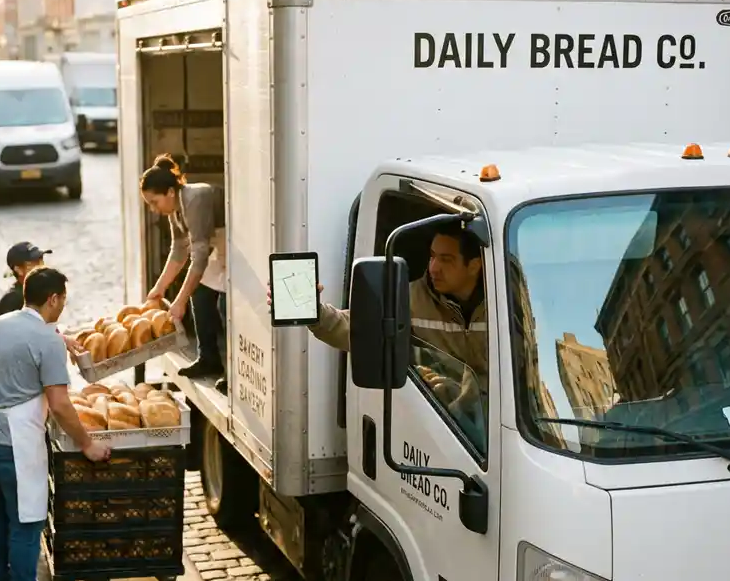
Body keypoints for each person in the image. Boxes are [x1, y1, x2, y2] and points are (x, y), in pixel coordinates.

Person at [0, 268, 111, 581]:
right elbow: (60, 404)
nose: (63, 306)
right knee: (26, 521)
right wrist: (87, 444)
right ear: (53, 299)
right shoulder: (47, 340)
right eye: (63, 299)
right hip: (15, 442)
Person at [269, 223, 488, 411]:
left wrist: (469, 393)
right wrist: (314, 312)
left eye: (446, 260)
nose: (433, 268)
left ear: (474, 266)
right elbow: (360, 327)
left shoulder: (504, 302)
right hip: (448, 426)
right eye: (432, 256)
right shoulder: (410, 298)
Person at [141, 154, 228, 393]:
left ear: (170, 192)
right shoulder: (175, 209)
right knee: (199, 295)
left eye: (154, 202)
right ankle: (208, 358)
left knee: (226, 306)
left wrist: (178, 302)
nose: (153, 209)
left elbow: (199, 257)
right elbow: (179, 250)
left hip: (235, 244)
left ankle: (235, 373)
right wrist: (159, 287)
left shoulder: (195, 199)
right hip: (217, 248)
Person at [0, 242, 52, 316]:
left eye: (41, 260)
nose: (41, 266)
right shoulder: (12, 301)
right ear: (19, 270)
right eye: (33, 264)